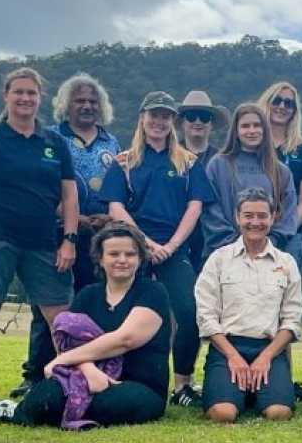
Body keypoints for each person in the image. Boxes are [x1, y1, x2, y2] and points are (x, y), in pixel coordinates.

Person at [0, 67, 78, 410]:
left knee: (61, 316)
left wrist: (69, 239)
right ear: (6, 96)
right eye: (19, 92)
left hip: (43, 242)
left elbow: (69, 197)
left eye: (32, 93)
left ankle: (70, 384)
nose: (25, 98)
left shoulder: (55, 143)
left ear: (40, 98)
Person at [0, 222, 172, 428]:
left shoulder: (152, 292)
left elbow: (125, 339)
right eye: (114, 254)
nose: (122, 260)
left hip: (139, 384)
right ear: (100, 258)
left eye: (130, 254)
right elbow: (68, 340)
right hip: (82, 378)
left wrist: (63, 360)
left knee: (111, 403)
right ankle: (22, 411)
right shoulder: (88, 295)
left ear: (141, 258)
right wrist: (89, 370)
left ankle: (51, 414)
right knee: (46, 395)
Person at [99, 90, 214, 407]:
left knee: (189, 313)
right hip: (131, 249)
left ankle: (182, 385)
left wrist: (171, 246)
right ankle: (115, 376)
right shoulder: (124, 161)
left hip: (175, 251)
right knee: (121, 314)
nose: (159, 122)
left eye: (166, 116)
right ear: (142, 118)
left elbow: (195, 207)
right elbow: (115, 207)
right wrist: (145, 244)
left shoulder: (187, 163)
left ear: (172, 121)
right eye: (154, 115)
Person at [11, 72, 121, 398]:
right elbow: (46, 189)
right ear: (65, 105)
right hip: (58, 234)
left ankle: (91, 369)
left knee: (93, 303)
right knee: (49, 303)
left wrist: (105, 218)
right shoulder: (50, 138)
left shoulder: (111, 143)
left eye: (92, 101)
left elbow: (118, 188)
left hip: (100, 238)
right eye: (79, 100)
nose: (86, 106)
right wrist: (77, 219)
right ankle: (36, 374)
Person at [196, 187, 302, 423]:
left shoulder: (286, 263)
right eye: (248, 215)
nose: (255, 222)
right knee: (223, 414)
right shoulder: (219, 260)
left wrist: (266, 357)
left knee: (279, 413)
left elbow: (292, 319)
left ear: (273, 217)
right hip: (227, 348)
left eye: (262, 215)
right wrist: (233, 357)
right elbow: (206, 316)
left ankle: (256, 391)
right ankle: (237, 391)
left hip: (269, 349)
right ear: (237, 217)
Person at [201, 103, 297, 257]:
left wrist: (269, 243)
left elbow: (289, 214)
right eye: (245, 126)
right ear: (236, 131)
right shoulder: (217, 165)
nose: (251, 131)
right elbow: (210, 211)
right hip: (223, 253)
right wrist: (235, 244)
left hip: (269, 256)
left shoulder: (281, 172)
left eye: (257, 125)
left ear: (265, 130)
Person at [257, 82, 302, 271]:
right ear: (267, 102)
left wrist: (286, 230)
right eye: (277, 101)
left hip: (291, 237)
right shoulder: (253, 144)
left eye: (289, 103)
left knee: (286, 295)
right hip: (254, 229)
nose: (282, 107)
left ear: (294, 111)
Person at [176, 90, 227, 273]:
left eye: (204, 117)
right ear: (182, 122)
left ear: (211, 124)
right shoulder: (167, 156)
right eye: (191, 116)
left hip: (212, 237)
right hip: (175, 235)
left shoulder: (223, 160)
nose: (198, 121)